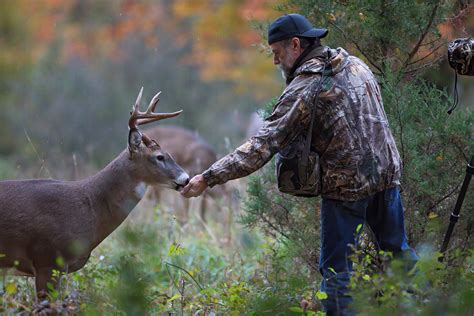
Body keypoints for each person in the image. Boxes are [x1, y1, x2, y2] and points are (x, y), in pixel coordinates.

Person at [181, 13, 418, 315]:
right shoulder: (355, 65)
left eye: (277, 53)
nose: (274, 62)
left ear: (296, 45)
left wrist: (208, 177)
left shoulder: (306, 86)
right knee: (399, 256)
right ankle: (418, 308)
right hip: (387, 176)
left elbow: (261, 145)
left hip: (346, 189)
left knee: (337, 274)